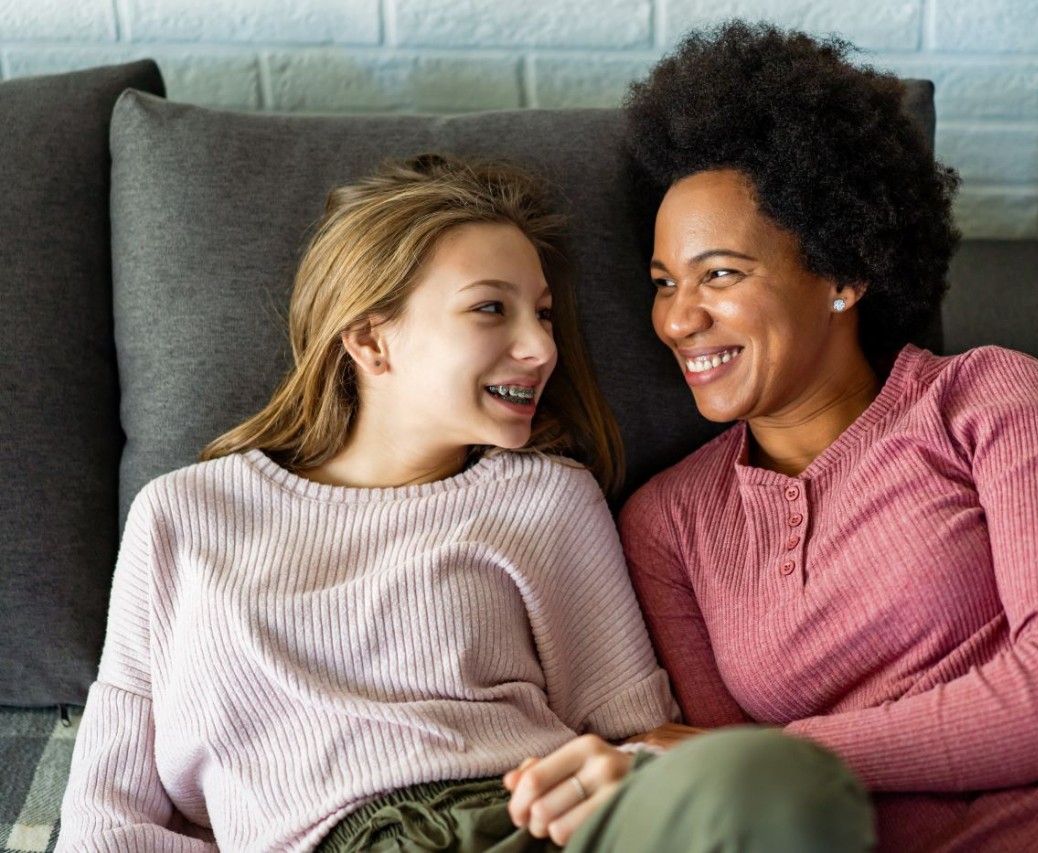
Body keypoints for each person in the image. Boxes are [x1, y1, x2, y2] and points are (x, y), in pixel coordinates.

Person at [57, 152, 875, 853]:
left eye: (544, 314)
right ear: (370, 338)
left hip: (530, 820)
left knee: (787, 777)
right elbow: (106, 816)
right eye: (492, 308)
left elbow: (637, 730)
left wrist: (632, 770)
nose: (542, 347)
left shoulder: (548, 500)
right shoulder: (182, 515)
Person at [601, 20, 1038, 853]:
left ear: (844, 270)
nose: (678, 319)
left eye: (720, 273)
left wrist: (787, 750)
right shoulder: (667, 526)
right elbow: (735, 788)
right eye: (664, 283)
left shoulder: (988, 397)